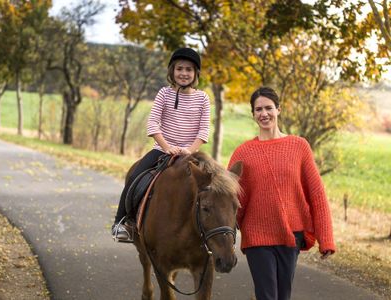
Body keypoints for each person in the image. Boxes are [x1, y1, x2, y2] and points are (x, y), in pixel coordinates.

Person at [228, 87, 335, 300]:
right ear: (253, 114)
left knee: (283, 295)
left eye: (268, 108)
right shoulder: (243, 153)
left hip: (291, 234)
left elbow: (316, 193)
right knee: (267, 296)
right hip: (257, 236)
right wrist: (223, 236)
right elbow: (230, 198)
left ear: (279, 109)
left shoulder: (299, 146)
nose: (264, 113)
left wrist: (326, 239)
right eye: (258, 109)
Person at [112, 47, 210, 242]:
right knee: (135, 176)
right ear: (172, 71)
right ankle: (121, 222)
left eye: (189, 69)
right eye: (179, 68)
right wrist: (167, 147)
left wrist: (189, 150)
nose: (184, 73)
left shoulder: (202, 98)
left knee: (213, 184)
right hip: (162, 150)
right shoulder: (164, 93)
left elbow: (203, 131)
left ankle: (216, 228)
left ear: (195, 73)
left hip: (190, 152)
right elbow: (153, 123)